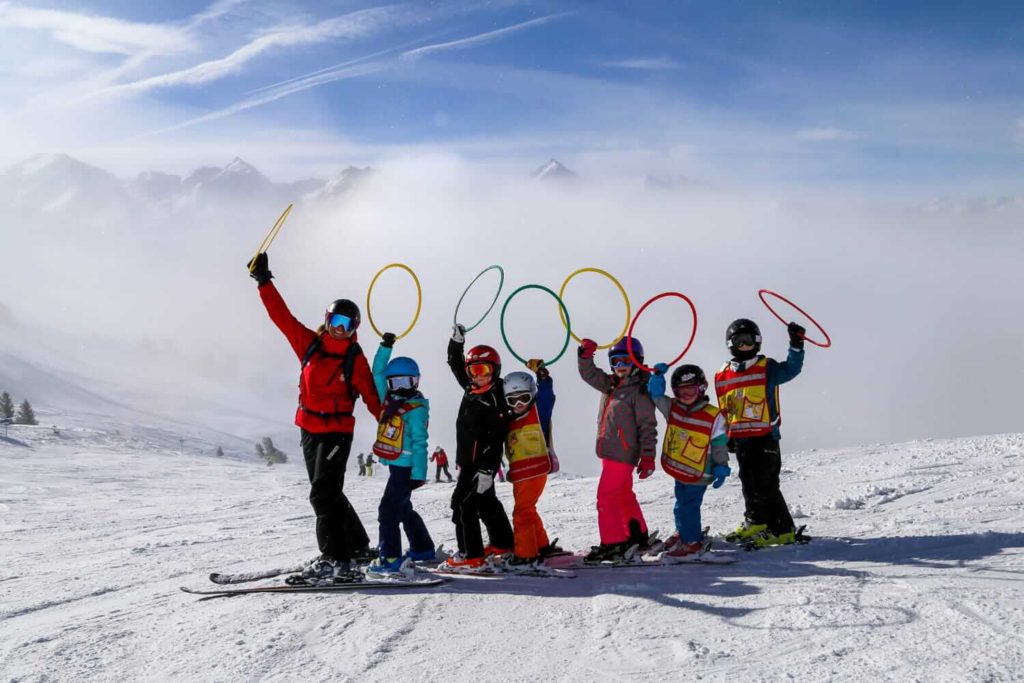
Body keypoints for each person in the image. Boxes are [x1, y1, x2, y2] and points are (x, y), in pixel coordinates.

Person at [247, 252, 381, 581]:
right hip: (309, 428)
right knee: (327, 491)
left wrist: (392, 427)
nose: (339, 329)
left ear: (354, 329)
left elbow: (372, 397)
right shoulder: (309, 344)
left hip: (337, 431)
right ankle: (358, 546)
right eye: (335, 322)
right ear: (327, 319)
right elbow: (282, 317)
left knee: (322, 493)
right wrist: (264, 281)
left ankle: (334, 559)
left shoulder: (355, 358)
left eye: (346, 325)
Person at [715, 318, 806, 547]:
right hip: (742, 440)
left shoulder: (767, 367)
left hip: (765, 436)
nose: (745, 345)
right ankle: (756, 521)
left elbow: (791, 369)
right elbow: (726, 408)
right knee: (748, 482)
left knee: (766, 483)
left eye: (749, 341)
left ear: (758, 342)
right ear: (730, 343)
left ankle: (782, 529)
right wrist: (727, 437)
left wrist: (796, 345)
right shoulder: (723, 375)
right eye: (739, 341)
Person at [577, 336, 658, 562]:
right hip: (610, 451)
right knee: (622, 494)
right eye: (615, 362)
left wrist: (648, 457)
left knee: (606, 498)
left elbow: (648, 426)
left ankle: (614, 543)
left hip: (623, 454)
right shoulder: (612, 384)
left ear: (637, 362)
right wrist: (585, 356)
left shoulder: (639, 391)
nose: (620, 367)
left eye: (625, 361)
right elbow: (589, 374)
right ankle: (637, 534)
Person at [444, 323, 514, 569]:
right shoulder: (471, 387)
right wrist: (457, 342)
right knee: (486, 503)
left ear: (495, 371)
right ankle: (503, 542)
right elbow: (455, 363)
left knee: (463, 505)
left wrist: (487, 471)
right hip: (468, 462)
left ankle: (470, 553)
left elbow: (495, 440)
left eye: (484, 370)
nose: (478, 375)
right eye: (473, 370)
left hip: (481, 464)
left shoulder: (496, 399)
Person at [366, 333, 435, 575]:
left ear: (416, 382)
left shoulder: (415, 409)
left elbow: (420, 442)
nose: (401, 389)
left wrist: (419, 474)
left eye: (407, 382)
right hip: (397, 465)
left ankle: (390, 557)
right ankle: (422, 547)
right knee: (403, 508)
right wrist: (385, 347)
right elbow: (377, 372)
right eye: (396, 383)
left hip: (406, 469)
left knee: (388, 511)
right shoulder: (389, 400)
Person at [649, 363, 730, 557]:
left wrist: (721, 466)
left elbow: (719, 443)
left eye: (690, 390)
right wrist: (658, 377)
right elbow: (657, 396)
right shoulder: (673, 408)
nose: (685, 397)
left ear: (702, 388)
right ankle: (683, 532)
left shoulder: (713, 416)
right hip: (680, 471)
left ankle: (692, 542)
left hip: (700, 472)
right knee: (680, 504)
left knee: (689, 506)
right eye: (680, 393)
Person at [502, 361, 563, 567]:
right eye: (513, 400)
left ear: (532, 395)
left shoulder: (538, 412)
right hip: (520, 474)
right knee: (528, 508)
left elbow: (547, 396)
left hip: (535, 470)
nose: (519, 404)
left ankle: (526, 554)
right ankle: (541, 545)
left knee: (522, 512)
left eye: (524, 398)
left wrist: (542, 376)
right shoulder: (508, 419)